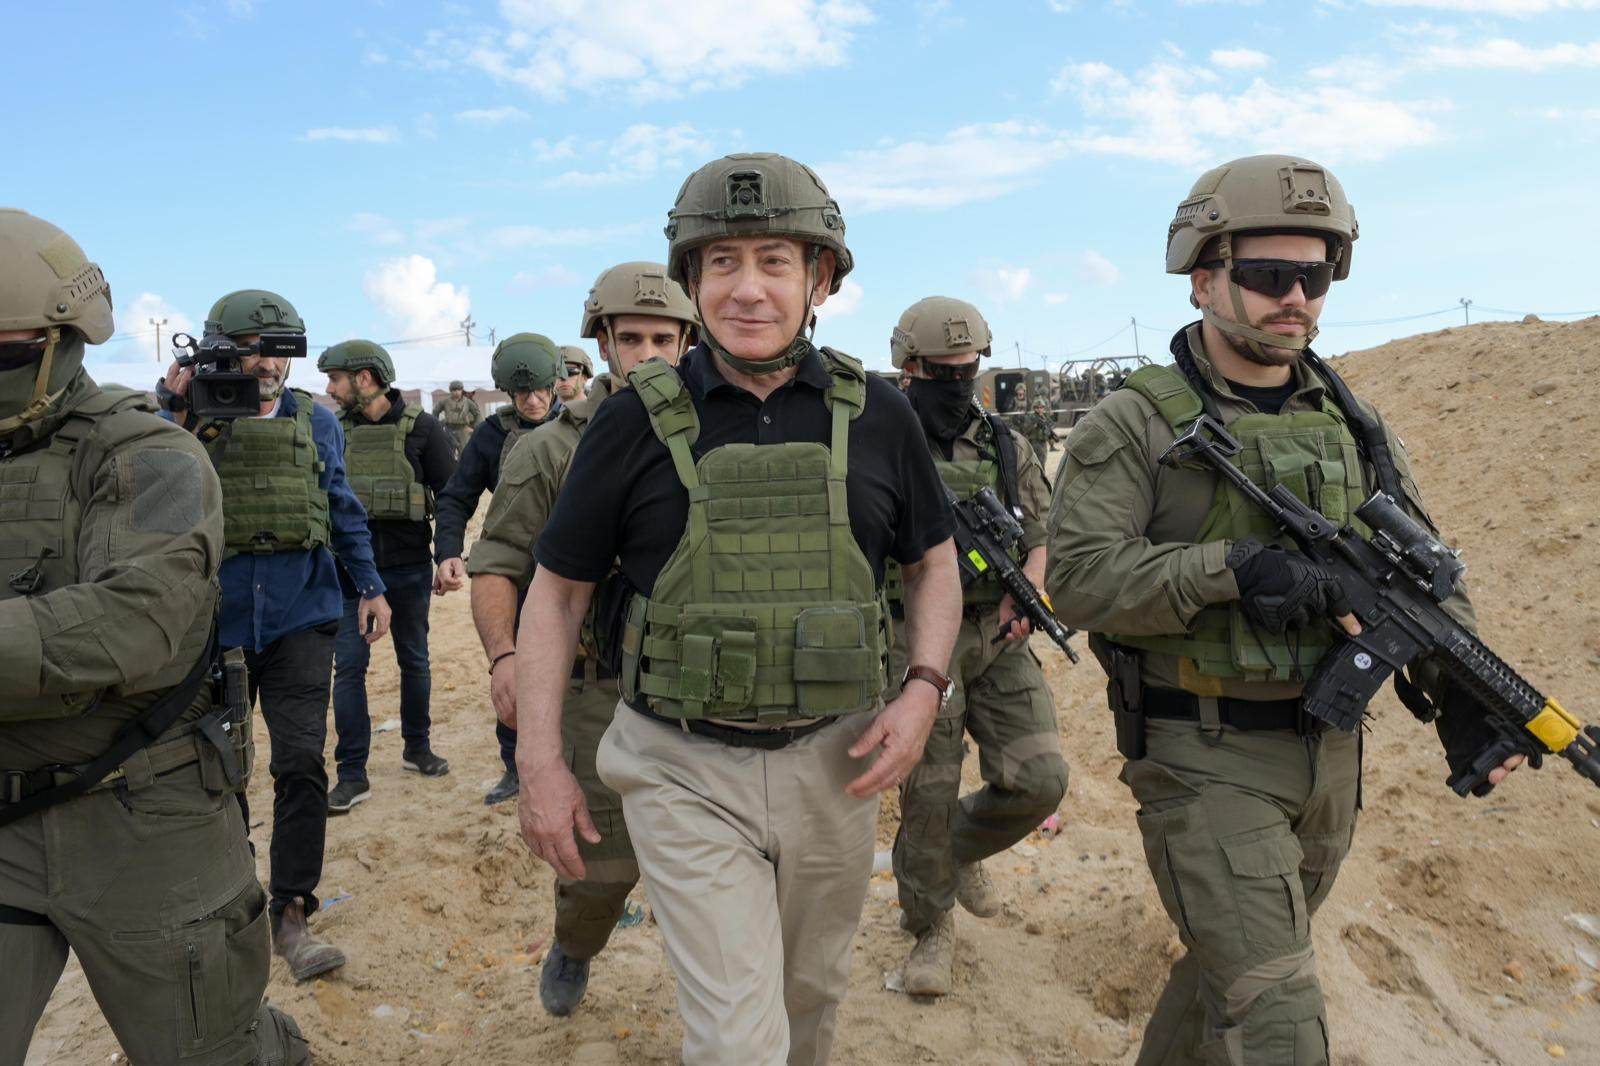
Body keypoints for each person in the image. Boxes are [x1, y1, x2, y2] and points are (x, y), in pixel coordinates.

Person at [1044, 154, 1520, 1065]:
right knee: (1279, 1019)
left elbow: (1419, 574)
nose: (1294, 297)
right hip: (1204, 756)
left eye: (1315, 275)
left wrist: (1459, 683)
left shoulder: (1350, 419)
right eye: (1268, 276)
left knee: (1233, 980)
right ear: (1203, 279)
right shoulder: (1135, 423)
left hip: (1331, 760)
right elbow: (1081, 580)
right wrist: (1232, 568)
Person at [515, 152, 963, 1066]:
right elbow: (557, 593)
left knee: (809, 1006)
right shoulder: (631, 420)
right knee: (735, 1039)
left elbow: (933, 563)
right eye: (722, 263)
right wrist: (540, 765)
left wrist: (921, 689)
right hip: (680, 765)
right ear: (692, 281)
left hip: (835, 763)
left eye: (774, 262)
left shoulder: (879, 412)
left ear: (820, 280)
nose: (747, 289)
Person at [0, 210, 308, 1064]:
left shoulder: (145, 450)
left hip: (140, 811)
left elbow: (132, 627)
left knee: (211, 1050)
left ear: (62, 342)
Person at [468, 260, 697, 1016]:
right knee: (600, 866)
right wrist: (505, 656)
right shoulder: (550, 450)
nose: (648, 355)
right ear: (602, 345)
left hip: (705, 681)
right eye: (630, 338)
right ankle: (576, 943)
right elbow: (498, 566)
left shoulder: (724, 428)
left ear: (689, 340)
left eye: (665, 338)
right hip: (597, 684)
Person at [160, 288, 391, 982]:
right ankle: (230, 903)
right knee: (215, 773)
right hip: (215, 620)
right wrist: (173, 408)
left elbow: (341, 506)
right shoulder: (188, 423)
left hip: (302, 614)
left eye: (279, 350)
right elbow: (144, 492)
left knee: (299, 762)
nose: (264, 364)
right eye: (249, 350)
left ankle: (291, 913)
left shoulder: (318, 423)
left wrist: (371, 585)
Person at [886, 296, 1068, 997]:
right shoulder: (882, 442)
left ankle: (948, 854)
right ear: (909, 370)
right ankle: (930, 928)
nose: (959, 384)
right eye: (943, 372)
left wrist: (1034, 585)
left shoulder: (1003, 444)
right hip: (919, 641)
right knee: (928, 794)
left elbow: (1043, 532)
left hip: (998, 633)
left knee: (1040, 778)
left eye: (969, 370)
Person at [319, 340, 457, 811]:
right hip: (350, 574)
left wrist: (446, 556)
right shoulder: (333, 431)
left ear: (364, 378)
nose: (330, 389)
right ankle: (352, 773)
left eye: (336, 378)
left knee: (414, 661)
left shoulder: (424, 429)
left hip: (409, 567)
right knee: (350, 669)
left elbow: (451, 495)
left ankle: (417, 748)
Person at [431, 333, 568, 804]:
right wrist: (447, 550)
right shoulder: (492, 436)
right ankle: (513, 767)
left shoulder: (581, 426)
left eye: (541, 391)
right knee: (514, 669)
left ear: (556, 386)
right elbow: (456, 497)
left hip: (575, 568)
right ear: (508, 394)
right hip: (517, 572)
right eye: (523, 393)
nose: (533, 401)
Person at [434, 379, 480, 455]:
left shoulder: (467, 402)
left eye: (458, 389)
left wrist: (476, 427)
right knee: (449, 452)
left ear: (462, 390)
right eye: (454, 390)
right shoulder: (445, 401)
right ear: (450, 391)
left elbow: (477, 413)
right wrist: (437, 425)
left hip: (463, 429)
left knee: (465, 452)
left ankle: (464, 466)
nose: (456, 392)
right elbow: (436, 411)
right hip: (449, 429)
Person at [1011, 397, 1060, 467]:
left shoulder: (1044, 417)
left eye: (1041, 408)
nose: (1039, 409)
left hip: (1043, 443)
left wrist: (1052, 436)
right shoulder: (1031, 418)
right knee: (1039, 463)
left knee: (1043, 461)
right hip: (1035, 442)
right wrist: (1035, 425)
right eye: (1037, 408)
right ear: (1034, 408)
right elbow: (1026, 430)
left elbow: (1048, 428)